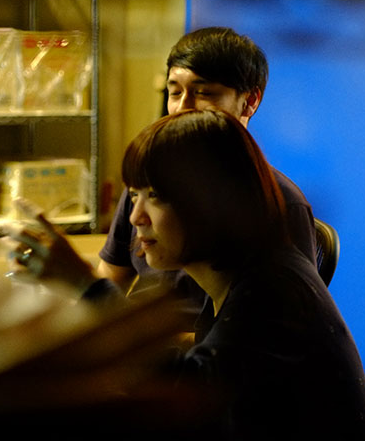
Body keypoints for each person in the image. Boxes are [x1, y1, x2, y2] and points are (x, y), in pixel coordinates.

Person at [8, 109, 365, 440]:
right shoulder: (238, 277)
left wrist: (84, 284)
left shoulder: (272, 290)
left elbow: (192, 396)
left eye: (156, 195)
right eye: (134, 195)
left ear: (210, 201)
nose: (136, 216)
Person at [97, 27, 318, 296]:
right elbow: (112, 273)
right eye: (175, 93)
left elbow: (280, 314)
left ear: (250, 101)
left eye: (203, 93)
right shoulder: (147, 180)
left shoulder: (279, 202)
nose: (182, 108)